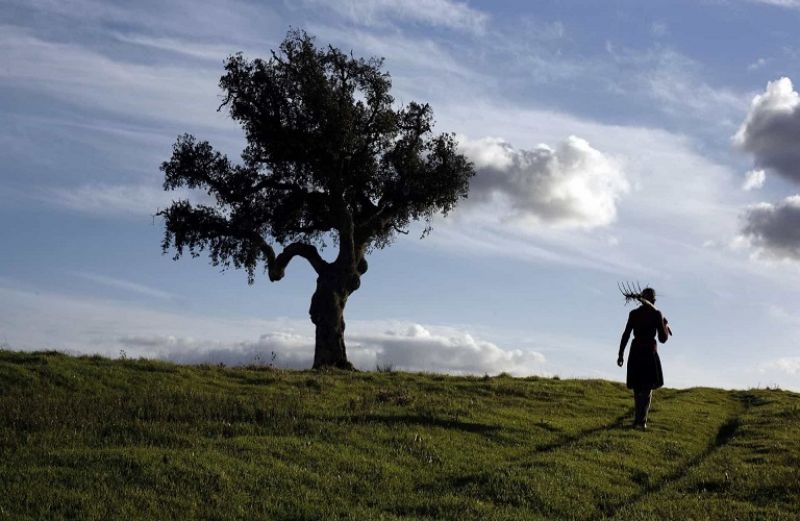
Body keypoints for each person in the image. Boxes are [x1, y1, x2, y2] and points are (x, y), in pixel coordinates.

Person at [617, 287, 671, 430]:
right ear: (653, 300)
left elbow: (626, 335)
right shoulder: (656, 314)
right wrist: (664, 325)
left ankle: (638, 420)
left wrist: (621, 353)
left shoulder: (634, 314)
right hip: (648, 352)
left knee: (638, 387)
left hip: (635, 351)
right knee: (646, 388)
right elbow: (663, 338)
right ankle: (641, 421)